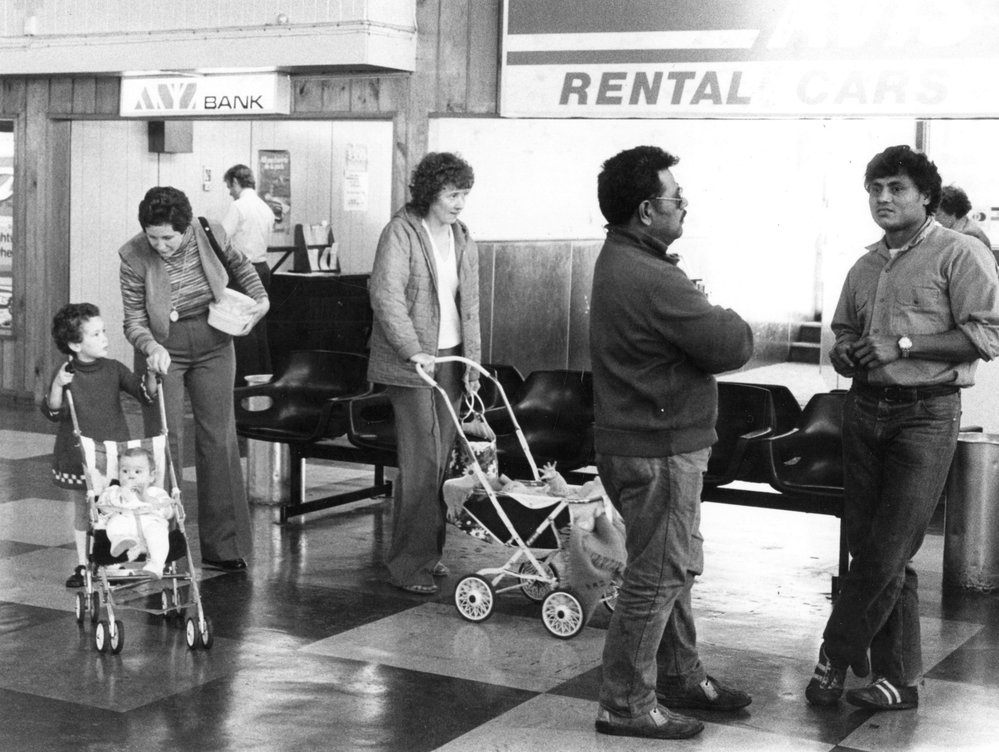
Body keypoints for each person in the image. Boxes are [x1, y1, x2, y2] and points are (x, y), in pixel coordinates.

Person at [807, 145, 999, 711]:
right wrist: (845, 351)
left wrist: (904, 343)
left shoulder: (959, 254)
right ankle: (900, 680)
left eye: (896, 188)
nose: (883, 199)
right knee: (876, 549)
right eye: (874, 189)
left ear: (926, 197)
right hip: (865, 410)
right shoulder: (864, 265)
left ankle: (833, 656)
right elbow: (843, 329)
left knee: (888, 548)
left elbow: (988, 336)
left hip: (927, 414)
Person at [589, 146, 754, 740]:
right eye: (674, 197)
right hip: (657, 450)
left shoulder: (627, 260)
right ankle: (626, 704)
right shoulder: (655, 276)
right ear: (645, 210)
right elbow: (730, 344)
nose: (683, 204)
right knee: (657, 577)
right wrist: (722, 311)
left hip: (643, 442)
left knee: (670, 566)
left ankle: (681, 676)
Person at [119, 186, 269, 572]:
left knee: (218, 437)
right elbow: (133, 318)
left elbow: (240, 265)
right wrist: (150, 347)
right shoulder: (133, 255)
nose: (160, 245)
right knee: (164, 442)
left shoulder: (210, 231)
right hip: (161, 345)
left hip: (214, 338)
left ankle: (225, 545)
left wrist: (261, 297)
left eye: (168, 237)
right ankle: (163, 547)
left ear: (185, 229)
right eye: (153, 237)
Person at [366, 152, 481, 595]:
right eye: (453, 194)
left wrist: (473, 364)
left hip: (450, 360)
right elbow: (386, 296)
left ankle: (428, 554)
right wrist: (413, 349)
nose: (459, 203)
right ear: (431, 192)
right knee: (422, 461)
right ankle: (406, 564)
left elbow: (468, 307)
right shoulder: (400, 233)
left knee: (440, 463)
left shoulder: (462, 235)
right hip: (411, 363)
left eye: (464, 195)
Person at [42, 303, 159, 588]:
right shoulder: (66, 373)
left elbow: (145, 395)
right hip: (78, 454)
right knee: (84, 510)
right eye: (95, 334)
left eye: (103, 331)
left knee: (114, 508)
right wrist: (58, 384)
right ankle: (83, 564)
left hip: (113, 453)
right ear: (74, 343)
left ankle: (113, 562)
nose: (104, 338)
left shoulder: (113, 369)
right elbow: (53, 411)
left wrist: (153, 374)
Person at [222, 164, 276, 383]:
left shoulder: (239, 207)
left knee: (240, 326)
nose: (229, 191)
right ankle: (261, 378)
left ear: (236, 182)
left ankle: (241, 379)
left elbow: (222, 238)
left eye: (229, 186)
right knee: (259, 326)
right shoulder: (266, 208)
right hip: (263, 269)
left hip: (242, 271)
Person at [96, 446, 174, 579]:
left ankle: (156, 564)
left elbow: (168, 512)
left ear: (151, 476)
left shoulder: (156, 492)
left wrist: (148, 499)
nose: (131, 475)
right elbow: (102, 507)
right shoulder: (114, 490)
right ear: (119, 474)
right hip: (125, 525)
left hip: (149, 526)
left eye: (138, 472)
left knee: (159, 532)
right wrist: (119, 495)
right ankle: (120, 542)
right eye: (125, 471)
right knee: (114, 524)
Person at [936, 184, 995, 260]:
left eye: (938, 214)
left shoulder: (969, 235)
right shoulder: (963, 227)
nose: (936, 219)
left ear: (952, 211)